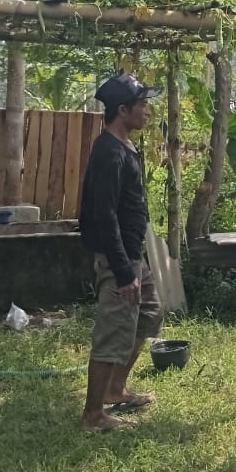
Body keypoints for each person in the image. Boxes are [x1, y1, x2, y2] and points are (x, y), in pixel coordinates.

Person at [77, 72, 163, 433]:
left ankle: (116, 388)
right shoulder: (109, 152)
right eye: (142, 105)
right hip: (119, 260)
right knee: (113, 332)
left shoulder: (124, 145)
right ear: (122, 110)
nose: (147, 111)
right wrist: (123, 271)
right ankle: (92, 416)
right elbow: (103, 215)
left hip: (132, 253)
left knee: (150, 314)